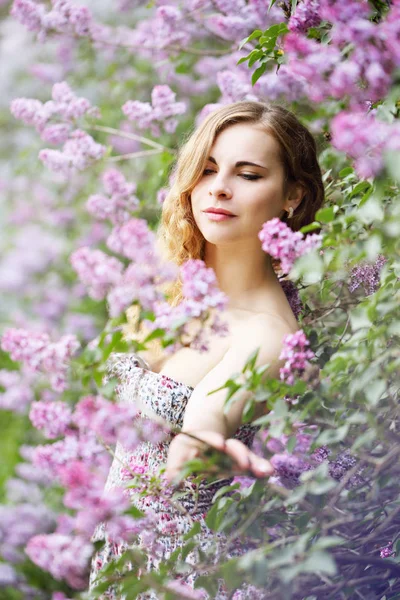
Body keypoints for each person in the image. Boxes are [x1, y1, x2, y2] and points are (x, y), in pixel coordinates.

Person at [89, 100, 325, 599]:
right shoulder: (172, 289)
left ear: (292, 196)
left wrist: (197, 444)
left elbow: (207, 416)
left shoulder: (268, 332)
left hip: (185, 575)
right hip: (122, 560)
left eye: (249, 174)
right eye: (208, 169)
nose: (219, 187)